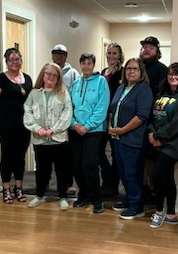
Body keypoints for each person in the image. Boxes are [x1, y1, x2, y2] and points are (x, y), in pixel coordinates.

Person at [148, 63, 178, 228]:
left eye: (177, 74)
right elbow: (152, 118)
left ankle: (159, 211)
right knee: (166, 176)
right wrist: (152, 134)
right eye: (170, 74)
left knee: (157, 175)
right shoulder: (162, 94)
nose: (173, 77)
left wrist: (158, 136)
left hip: (176, 142)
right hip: (159, 140)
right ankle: (171, 214)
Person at [23, 63, 73, 211]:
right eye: (48, 74)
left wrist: (53, 129)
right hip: (40, 139)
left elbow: (67, 114)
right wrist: (38, 129)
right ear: (43, 75)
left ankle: (63, 197)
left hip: (58, 139)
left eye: (54, 75)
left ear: (58, 78)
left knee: (61, 170)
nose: (51, 77)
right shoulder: (34, 94)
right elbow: (28, 112)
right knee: (41, 170)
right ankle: (39, 196)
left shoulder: (63, 93)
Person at [109, 58, 153, 220]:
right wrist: (110, 126)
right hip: (118, 139)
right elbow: (112, 109)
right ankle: (129, 199)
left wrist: (122, 130)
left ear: (141, 72)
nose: (131, 71)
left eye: (135, 69)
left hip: (133, 140)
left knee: (133, 173)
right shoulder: (121, 88)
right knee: (123, 172)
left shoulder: (143, 90)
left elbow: (142, 116)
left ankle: (137, 206)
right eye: (128, 68)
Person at [0, 48, 33, 204]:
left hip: (24, 125)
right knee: (7, 155)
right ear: (6, 62)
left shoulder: (27, 79)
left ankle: (18, 188)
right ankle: (6, 188)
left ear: (21, 61)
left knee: (20, 156)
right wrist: (1, 113)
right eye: (11, 59)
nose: (15, 62)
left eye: (18, 59)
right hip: (6, 125)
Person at [69, 53, 110, 214]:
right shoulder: (76, 83)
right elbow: (69, 106)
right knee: (76, 164)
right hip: (75, 130)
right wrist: (74, 124)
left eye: (89, 63)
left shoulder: (101, 82)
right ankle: (83, 194)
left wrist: (87, 126)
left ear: (93, 65)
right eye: (83, 63)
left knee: (90, 164)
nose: (86, 66)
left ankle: (96, 199)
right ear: (80, 65)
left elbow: (102, 107)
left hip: (94, 131)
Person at [139, 36, 168, 204]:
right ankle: (142, 189)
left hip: (153, 122)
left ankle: (151, 189)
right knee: (140, 158)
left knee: (152, 159)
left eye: (150, 47)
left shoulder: (162, 70)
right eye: (144, 47)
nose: (146, 49)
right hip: (136, 121)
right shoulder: (137, 69)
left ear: (157, 51)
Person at [52, 43, 80, 195]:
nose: (58, 57)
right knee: (56, 153)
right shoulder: (49, 71)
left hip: (68, 118)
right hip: (52, 119)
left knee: (68, 153)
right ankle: (58, 183)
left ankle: (69, 183)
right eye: (55, 54)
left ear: (66, 56)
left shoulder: (73, 73)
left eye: (61, 54)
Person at [99, 42, 124, 197]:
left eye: (115, 53)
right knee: (98, 151)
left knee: (115, 155)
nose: (111, 56)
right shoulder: (102, 72)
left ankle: (113, 186)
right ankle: (107, 181)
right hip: (101, 117)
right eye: (109, 53)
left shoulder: (122, 73)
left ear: (120, 56)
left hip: (115, 119)